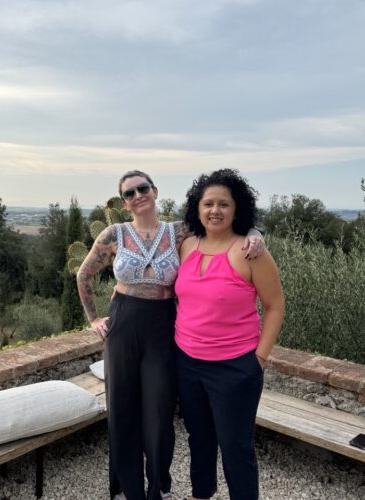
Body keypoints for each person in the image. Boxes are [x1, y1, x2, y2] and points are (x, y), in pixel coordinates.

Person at [76, 170, 264, 500]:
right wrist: (94, 320)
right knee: (121, 407)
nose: (138, 195)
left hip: (163, 325)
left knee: (160, 411)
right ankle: (129, 485)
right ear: (125, 202)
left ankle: (156, 485)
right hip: (123, 322)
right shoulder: (114, 234)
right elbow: (84, 274)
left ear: (155, 191)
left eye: (143, 188)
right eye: (130, 193)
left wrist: (254, 230)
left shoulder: (179, 231)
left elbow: (221, 224)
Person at [174, 169, 285, 500]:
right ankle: (201, 493)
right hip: (187, 360)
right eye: (208, 203)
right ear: (197, 207)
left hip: (235, 367)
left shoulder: (252, 252)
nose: (215, 210)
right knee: (199, 437)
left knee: (235, 447)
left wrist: (259, 359)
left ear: (237, 209)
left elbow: (275, 306)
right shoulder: (186, 245)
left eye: (224, 204)